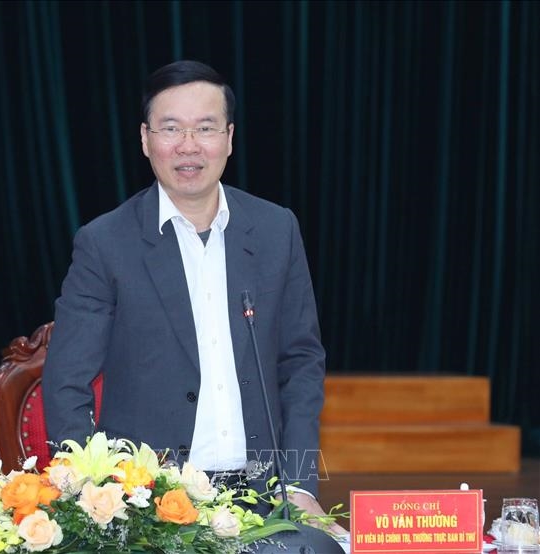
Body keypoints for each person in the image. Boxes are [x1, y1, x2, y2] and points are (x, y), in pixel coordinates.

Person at [42, 60, 345, 532]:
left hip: (264, 499)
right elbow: (67, 381)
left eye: (205, 128)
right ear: (145, 140)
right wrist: (91, 493)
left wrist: (300, 485)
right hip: (147, 505)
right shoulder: (106, 243)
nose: (188, 146)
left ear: (229, 138)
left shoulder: (275, 230)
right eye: (170, 129)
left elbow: (301, 362)